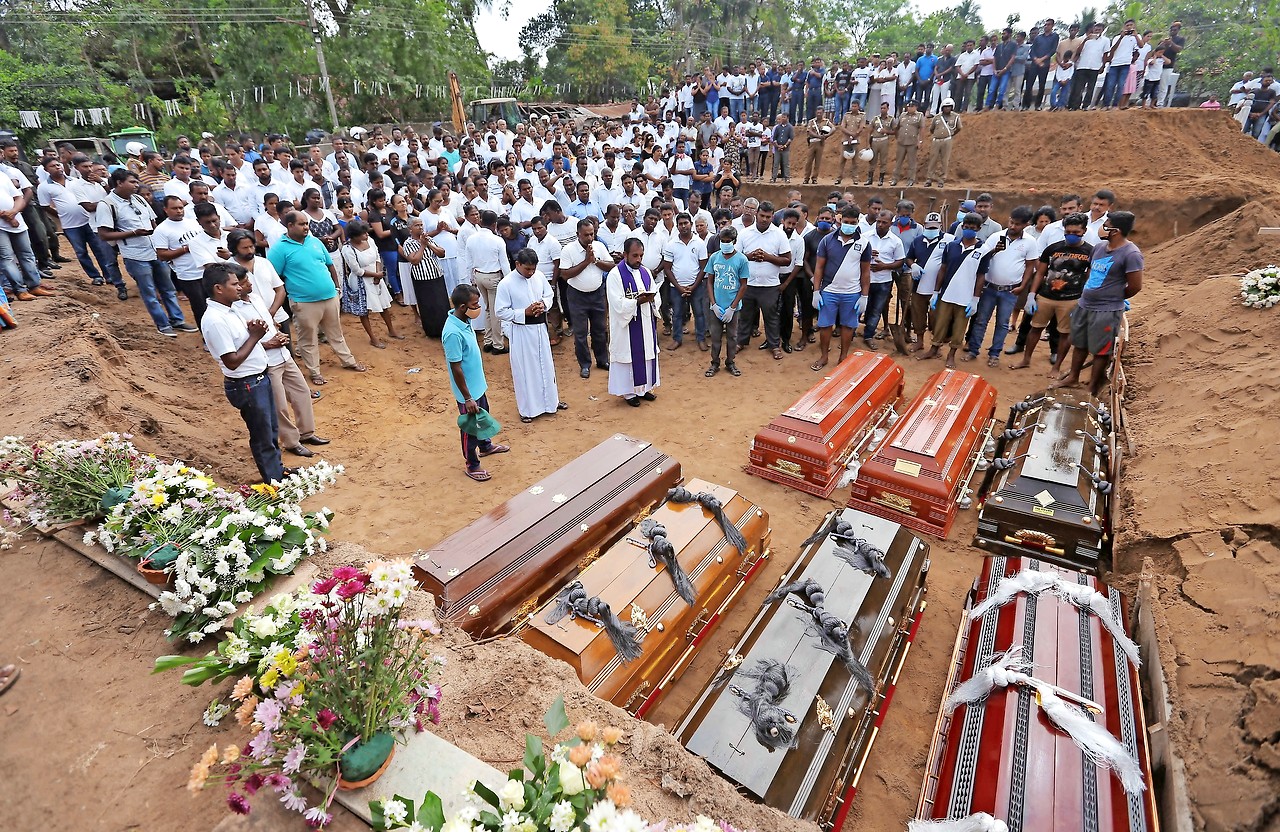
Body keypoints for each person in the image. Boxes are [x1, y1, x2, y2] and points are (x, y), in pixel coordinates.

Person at [199, 261, 288, 483]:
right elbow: (231, 361)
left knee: (271, 430)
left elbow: (243, 341)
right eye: (234, 284)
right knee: (262, 435)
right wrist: (255, 336)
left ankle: (278, 472)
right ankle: (273, 483)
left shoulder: (230, 311)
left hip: (258, 378)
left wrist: (254, 331)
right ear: (219, 288)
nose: (240, 288)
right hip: (246, 384)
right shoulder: (215, 320)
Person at [228, 264, 327, 458]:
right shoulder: (234, 311)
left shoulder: (256, 299)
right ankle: (291, 442)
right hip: (266, 362)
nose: (249, 284)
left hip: (283, 356)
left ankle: (307, 433)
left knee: (302, 393)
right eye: (244, 282)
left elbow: (269, 323)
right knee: (280, 405)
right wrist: (268, 344)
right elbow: (239, 343)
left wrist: (278, 335)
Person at [268, 210, 366, 385]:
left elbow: (329, 265)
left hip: (329, 296)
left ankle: (348, 361)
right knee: (308, 339)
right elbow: (273, 276)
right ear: (290, 226)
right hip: (304, 302)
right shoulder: (279, 248)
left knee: (336, 333)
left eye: (306, 223)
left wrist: (336, 287)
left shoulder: (315, 242)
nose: (306, 227)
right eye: (301, 224)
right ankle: (314, 372)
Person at [96, 170, 193, 336]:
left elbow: (153, 222)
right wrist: (133, 233)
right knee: (149, 293)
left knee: (168, 289)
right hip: (135, 255)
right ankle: (163, 325)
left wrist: (159, 242)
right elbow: (104, 234)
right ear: (119, 183)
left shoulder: (139, 199)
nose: (136, 185)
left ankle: (177, 320)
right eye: (132, 182)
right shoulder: (107, 205)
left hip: (154, 251)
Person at [1060, 211, 1142, 396]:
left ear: (1115, 231)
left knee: (1101, 349)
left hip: (1107, 310)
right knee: (1079, 343)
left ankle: (1092, 387)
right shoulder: (1098, 248)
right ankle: (1073, 377)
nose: (1102, 228)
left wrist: (1113, 297)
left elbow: (1136, 285)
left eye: (1106, 225)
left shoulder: (1131, 254)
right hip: (1085, 304)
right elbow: (1091, 272)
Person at [444, 283, 509, 482]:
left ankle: (486, 446)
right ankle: (472, 464)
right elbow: (456, 367)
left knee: (483, 416)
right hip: (468, 393)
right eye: (475, 304)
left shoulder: (463, 321)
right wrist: (467, 398)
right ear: (463, 307)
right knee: (470, 428)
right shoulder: (452, 333)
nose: (478, 307)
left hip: (477, 386)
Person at [1014, 211, 1092, 374]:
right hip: (1046, 296)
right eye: (1068, 232)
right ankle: (1026, 359)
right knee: (1035, 328)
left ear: (1084, 231)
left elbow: (1089, 278)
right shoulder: (1053, 248)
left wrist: (1083, 301)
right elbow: (1041, 273)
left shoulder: (1090, 252)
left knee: (1064, 333)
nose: (1071, 235)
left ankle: (1056, 368)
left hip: (1071, 299)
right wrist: (1031, 295)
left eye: (1076, 233)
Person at [496, 248, 566, 423]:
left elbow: (549, 295)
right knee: (526, 370)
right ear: (517, 264)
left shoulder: (539, 276)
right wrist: (523, 312)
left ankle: (551, 402)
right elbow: (500, 311)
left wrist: (543, 305)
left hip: (540, 329)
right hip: (521, 331)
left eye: (533, 268)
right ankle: (527, 410)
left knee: (546, 366)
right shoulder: (506, 284)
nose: (531, 272)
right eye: (527, 269)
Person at [963, 205, 1039, 368]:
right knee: (981, 320)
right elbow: (982, 259)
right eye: (1011, 222)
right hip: (989, 287)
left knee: (1003, 323)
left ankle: (994, 354)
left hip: (1010, 290)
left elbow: (1030, 266)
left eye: (1017, 224)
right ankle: (973, 350)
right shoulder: (995, 237)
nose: (1012, 226)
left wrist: (1022, 286)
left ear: (1026, 225)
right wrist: (993, 252)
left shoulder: (1030, 242)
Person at [37, 158, 124, 298]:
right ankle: (95, 276)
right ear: (46, 170)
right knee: (81, 252)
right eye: (52, 166)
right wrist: (61, 214)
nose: (57, 167)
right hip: (70, 224)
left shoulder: (75, 181)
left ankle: (108, 275)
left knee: (99, 249)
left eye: (58, 164)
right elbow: (45, 206)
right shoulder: (44, 187)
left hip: (88, 221)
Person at [917, 212, 988, 368]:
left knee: (959, 328)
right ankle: (934, 349)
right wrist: (936, 292)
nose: (969, 230)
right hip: (946, 293)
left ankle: (951, 355)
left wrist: (975, 299)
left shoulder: (983, 250)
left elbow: (981, 276)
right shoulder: (951, 246)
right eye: (966, 227)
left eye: (973, 228)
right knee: (940, 324)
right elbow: (943, 269)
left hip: (966, 297)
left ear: (978, 229)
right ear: (962, 227)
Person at [810, 205, 872, 372]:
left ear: (858, 222)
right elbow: (819, 268)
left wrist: (864, 296)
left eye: (853, 222)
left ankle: (843, 356)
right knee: (825, 325)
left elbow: (865, 272)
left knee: (848, 326)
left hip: (852, 293)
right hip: (829, 291)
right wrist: (816, 291)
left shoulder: (864, 243)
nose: (849, 225)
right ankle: (824, 356)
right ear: (839, 220)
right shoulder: (827, 240)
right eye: (846, 221)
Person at [605, 237, 663, 406]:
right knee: (629, 356)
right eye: (635, 255)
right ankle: (629, 393)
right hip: (627, 325)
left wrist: (652, 299)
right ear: (625, 255)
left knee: (646, 354)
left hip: (645, 321)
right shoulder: (615, 275)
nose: (639, 259)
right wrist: (636, 302)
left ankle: (644, 389)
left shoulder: (645, 271)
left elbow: (655, 294)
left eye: (641, 255)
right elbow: (616, 303)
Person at [736, 200, 792, 359]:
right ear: (756, 214)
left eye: (768, 216)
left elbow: (787, 260)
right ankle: (741, 341)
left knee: (771, 316)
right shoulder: (745, 233)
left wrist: (768, 258)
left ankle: (774, 345)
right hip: (748, 283)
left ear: (773, 216)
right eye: (762, 215)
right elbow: (736, 257)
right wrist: (750, 257)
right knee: (745, 315)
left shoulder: (779, 234)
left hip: (770, 285)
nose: (764, 219)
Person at [557, 218, 611, 378]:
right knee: (580, 334)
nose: (589, 238)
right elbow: (565, 275)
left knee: (600, 330)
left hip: (597, 294)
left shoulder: (599, 246)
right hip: (577, 296)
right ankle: (585, 365)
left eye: (592, 234)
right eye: (586, 235)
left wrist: (596, 261)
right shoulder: (568, 250)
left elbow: (611, 265)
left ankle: (602, 360)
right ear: (577, 234)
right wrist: (586, 262)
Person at [338, 219, 401, 348]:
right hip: (361, 281)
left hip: (376, 276)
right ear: (355, 235)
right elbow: (356, 270)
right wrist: (375, 275)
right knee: (364, 311)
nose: (367, 235)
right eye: (363, 233)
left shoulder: (370, 241)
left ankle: (391, 330)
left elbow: (377, 257)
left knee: (384, 305)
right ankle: (373, 338)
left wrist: (378, 272)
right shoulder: (347, 249)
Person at [661, 211, 709, 350]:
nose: (683, 226)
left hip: (697, 286)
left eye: (686, 223)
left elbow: (703, 267)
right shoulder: (671, 244)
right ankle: (677, 339)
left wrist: (694, 286)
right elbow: (667, 269)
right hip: (676, 287)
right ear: (677, 226)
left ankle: (701, 339)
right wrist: (679, 287)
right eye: (680, 224)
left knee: (699, 313)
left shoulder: (699, 243)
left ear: (691, 224)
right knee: (677, 314)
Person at [466, 209, 509, 354]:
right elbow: (504, 264)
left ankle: (488, 341)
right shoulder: (497, 240)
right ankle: (498, 345)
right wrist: (508, 281)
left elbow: (469, 262)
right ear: (495, 224)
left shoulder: (471, 239)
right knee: (495, 311)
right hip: (493, 277)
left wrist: (471, 279)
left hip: (479, 276)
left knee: (488, 309)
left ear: (481, 221)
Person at [401, 217, 450, 338]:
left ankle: (445, 328)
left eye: (421, 224)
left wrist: (428, 243)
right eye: (417, 225)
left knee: (441, 303)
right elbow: (414, 260)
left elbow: (442, 253)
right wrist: (422, 245)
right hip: (422, 278)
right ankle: (433, 331)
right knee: (428, 305)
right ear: (410, 229)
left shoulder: (428, 238)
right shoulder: (408, 243)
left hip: (436, 275)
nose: (420, 227)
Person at [891, 99, 925, 187]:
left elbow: (922, 129)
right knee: (898, 162)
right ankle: (895, 179)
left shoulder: (920, 116)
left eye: (911, 106)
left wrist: (920, 141)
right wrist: (897, 137)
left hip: (912, 142)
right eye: (908, 106)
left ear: (916, 107)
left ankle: (911, 179)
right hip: (901, 141)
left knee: (911, 162)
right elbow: (897, 127)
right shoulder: (902, 115)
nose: (909, 108)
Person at [802, 109, 832, 185]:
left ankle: (814, 178)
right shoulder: (812, 121)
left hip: (820, 143)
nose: (819, 114)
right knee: (809, 161)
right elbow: (809, 131)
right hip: (812, 142)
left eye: (820, 113)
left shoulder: (826, 122)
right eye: (817, 112)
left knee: (817, 162)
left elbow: (833, 128)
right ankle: (806, 178)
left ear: (823, 113)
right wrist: (818, 136)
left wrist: (827, 135)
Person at [867, 102, 892, 186]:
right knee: (872, 160)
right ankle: (870, 179)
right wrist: (868, 143)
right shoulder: (875, 119)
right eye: (881, 108)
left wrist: (887, 131)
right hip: (875, 140)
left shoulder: (891, 119)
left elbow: (895, 131)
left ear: (888, 109)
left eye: (884, 108)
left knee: (883, 161)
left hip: (884, 140)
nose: (882, 110)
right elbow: (869, 131)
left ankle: (881, 180)